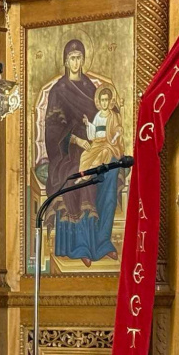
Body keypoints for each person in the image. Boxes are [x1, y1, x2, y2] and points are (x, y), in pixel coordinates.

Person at [44, 39, 120, 267]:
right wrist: (76, 140)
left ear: (84, 60)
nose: (76, 62)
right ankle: (81, 245)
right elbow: (53, 129)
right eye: (72, 58)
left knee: (112, 169)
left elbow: (102, 112)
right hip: (68, 149)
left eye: (79, 58)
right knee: (81, 174)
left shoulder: (89, 87)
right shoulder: (59, 91)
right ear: (66, 61)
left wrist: (113, 112)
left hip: (95, 144)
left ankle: (103, 241)